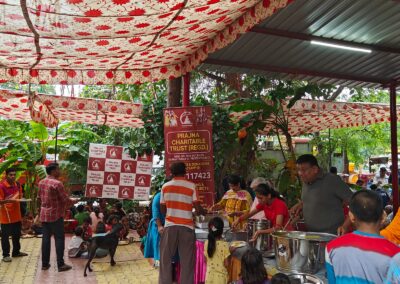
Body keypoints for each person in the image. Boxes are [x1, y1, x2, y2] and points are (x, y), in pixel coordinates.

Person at [325, 190, 400, 284]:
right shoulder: (396, 254)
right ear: (383, 216)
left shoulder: (331, 247)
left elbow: (332, 281)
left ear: (351, 216)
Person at [159, 162, 206, 284]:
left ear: (172, 172)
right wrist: (203, 211)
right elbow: (197, 207)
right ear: (185, 171)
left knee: (165, 261)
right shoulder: (191, 186)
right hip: (186, 228)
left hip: (170, 227)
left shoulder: (165, 187)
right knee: (187, 262)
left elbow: (163, 210)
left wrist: (172, 211)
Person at [290, 154, 353, 235]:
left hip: (332, 235)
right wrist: (301, 205)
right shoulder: (306, 181)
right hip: (311, 235)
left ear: (315, 169)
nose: (300, 173)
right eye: (298, 170)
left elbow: (355, 203)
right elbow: (315, 200)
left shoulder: (332, 180)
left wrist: (345, 226)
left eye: (303, 170)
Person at [38, 162, 74, 272]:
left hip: (44, 215)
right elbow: (65, 200)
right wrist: (74, 201)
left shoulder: (41, 182)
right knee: (59, 239)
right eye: (58, 170)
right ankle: (60, 264)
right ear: (53, 171)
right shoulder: (57, 184)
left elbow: (39, 197)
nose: (60, 171)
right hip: (56, 215)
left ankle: (45, 264)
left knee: (46, 239)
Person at [0, 168, 28, 262]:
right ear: (6, 175)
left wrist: (23, 201)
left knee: (17, 234)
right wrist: (12, 200)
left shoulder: (18, 184)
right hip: (6, 216)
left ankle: (16, 252)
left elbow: (20, 197)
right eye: (10, 175)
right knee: (5, 236)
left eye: (14, 175)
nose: (13, 176)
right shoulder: (1, 186)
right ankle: (5, 255)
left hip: (16, 215)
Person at [204, 217, 230, 284]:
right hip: (220, 279)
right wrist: (230, 252)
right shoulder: (225, 245)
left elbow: (205, 260)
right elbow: (226, 264)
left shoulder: (206, 243)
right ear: (221, 231)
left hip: (209, 277)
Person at [144, 189, 165, 267]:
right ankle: (159, 264)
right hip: (158, 225)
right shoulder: (159, 196)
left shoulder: (161, 196)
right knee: (158, 246)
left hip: (160, 225)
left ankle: (158, 263)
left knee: (158, 246)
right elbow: (156, 213)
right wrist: (159, 226)